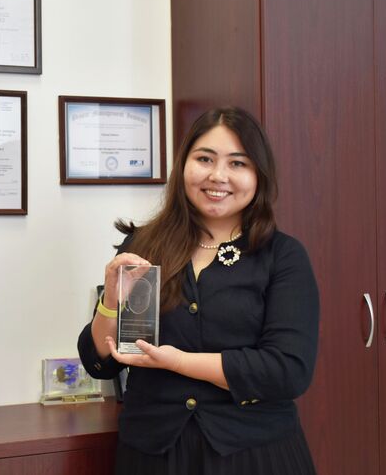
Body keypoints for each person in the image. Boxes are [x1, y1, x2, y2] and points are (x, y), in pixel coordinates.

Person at [77, 106, 319, 475]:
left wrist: (178, 362)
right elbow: (102, 362)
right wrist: (110, 303)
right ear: (184, 165)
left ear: (258, 174)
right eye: (204, 159)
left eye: (237, 163)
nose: (218, 175)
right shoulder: (143, 245)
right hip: (152, 455)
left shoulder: (283, 256)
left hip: (253, 454)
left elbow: (287, 370)